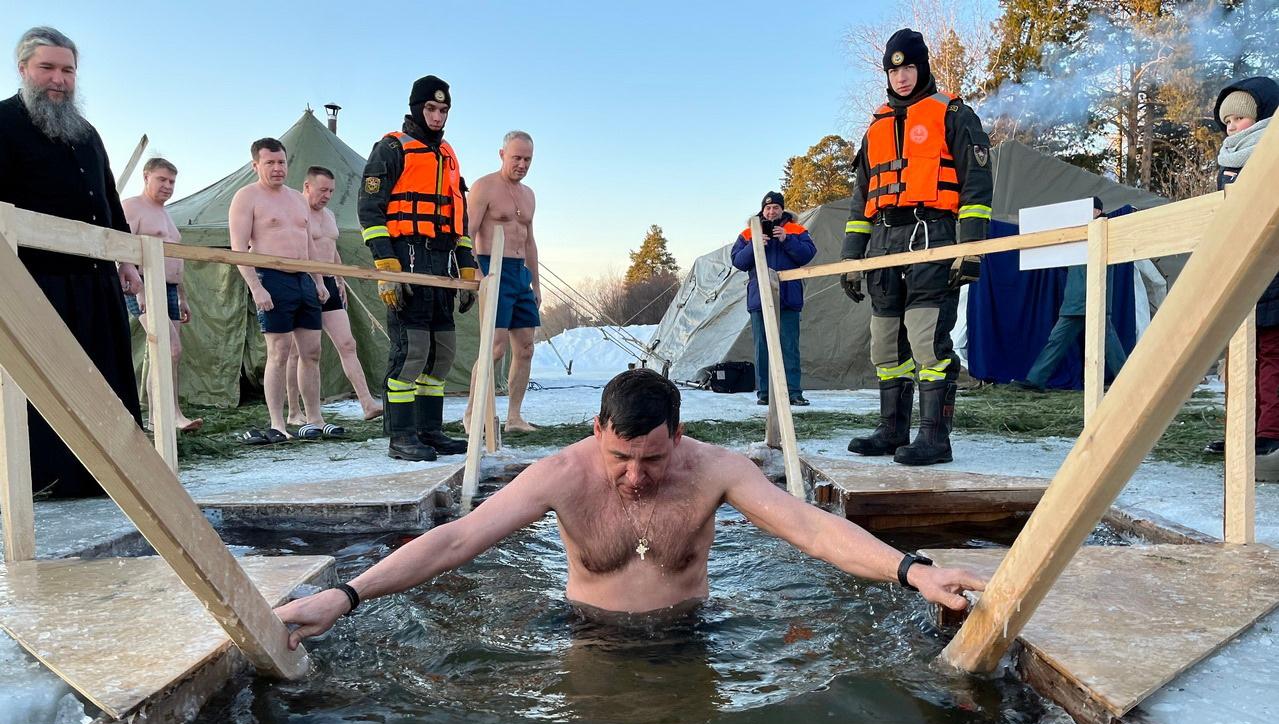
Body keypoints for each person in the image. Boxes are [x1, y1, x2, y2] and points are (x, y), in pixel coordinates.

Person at [273, 369, 987, 647]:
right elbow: (458, 540)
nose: (636, 477)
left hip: (691, 631)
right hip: (590, 633)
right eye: (620, 458)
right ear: (597, 432)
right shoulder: (559, 475)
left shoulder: (716, 469)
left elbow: (808, 528)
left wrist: (913, 570)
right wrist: (346, 594)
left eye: (653, 459)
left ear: (678, 433)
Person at [840, 29, 993, 467]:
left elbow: (976, 185)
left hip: (933, 237)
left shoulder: (954, 114)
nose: (901, 77)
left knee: (926, 340)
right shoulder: (875, 128)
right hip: (884, 244)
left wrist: (970, 249)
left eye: (908, 67)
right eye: (893, 70)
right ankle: (892, 430)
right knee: (885, 345)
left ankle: (934, 438)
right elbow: (861, 199)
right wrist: (851, 257)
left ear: (922, 67)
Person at [0, 26, 143, 496]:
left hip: (97, 279)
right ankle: (49, 479)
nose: (59, 79)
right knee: (48, 380)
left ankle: (111, 471)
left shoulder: (86, 132)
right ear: (23, 69)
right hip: (35, 279)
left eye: (68, 70)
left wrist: (126, 259)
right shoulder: (3, 122)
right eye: (47, 68)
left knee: (105, 373)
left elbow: (108, 199)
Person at [359, 75, 478, 461]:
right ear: (416, 108)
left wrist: (467, 269)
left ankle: (430, 431)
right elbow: (369, 210)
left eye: (443, 110)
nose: (438, 116)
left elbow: (459, 220)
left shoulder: (449, 157)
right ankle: (402, 436)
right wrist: (386, 265)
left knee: (442, 353)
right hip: (406, 260)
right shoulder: (391, 148)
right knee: (412, 351)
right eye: (431, 108)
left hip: (442, 266)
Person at [228, 138, 333, 444]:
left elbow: (308, 242)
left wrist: (318, 281)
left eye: (282, 162)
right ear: (256, 165)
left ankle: (314, 418)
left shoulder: (298, 199)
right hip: (271, 278)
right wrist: (256, 287)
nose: (277, 168)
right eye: (270, 163)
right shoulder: (246, 197)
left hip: (303, 278)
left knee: (312, 351)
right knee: (279, 352)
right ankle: (278, 421)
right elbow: (238, 248)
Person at [1202, 77, 1279, 480]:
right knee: (1240, 358)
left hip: (1273, 269)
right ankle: (1241, 430)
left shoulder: (1273, 150)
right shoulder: (1228, 162)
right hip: (1239, 269)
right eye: (1227, 121)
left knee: (1270, 354)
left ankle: (1269, 433)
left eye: (1239, 118)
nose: (1231, 127)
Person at [284, 165, 384, 426]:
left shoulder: (329, 214)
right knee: (297, 352)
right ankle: (294, 411)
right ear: (307, 187)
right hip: (303, 280)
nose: (327, 195)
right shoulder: (295, 211)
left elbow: (331, 247)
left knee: (347, 343)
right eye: (322, 190)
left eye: (331, 191)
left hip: (330, 281)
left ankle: (367, 403)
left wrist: (339, 278)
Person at [463, 131, 542, 433]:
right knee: (494, 348)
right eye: (516, 158)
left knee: (526, 348)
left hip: (520, 273)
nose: (522, 164)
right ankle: (472, 414)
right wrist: (477, 274)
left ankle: (514, 417)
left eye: (527, 159)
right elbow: (467, 232)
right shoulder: (484, 187)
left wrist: (536, 284)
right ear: (502, 155)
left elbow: (530, 241)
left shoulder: (529, 194)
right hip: (491, 267)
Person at [1011, 198, 1128, 392]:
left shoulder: (1106, 232)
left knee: (1107, 344)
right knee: (1059, 341)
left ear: (1097, 212)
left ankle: (1127, 381)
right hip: (1075, 301)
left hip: (1093, 298)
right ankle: (1035, 380)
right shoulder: (1079, 234)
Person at [122, 157, 202, 434]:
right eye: (162, 179)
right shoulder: (133, 206)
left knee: (167, 353)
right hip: (144, 284)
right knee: (170, 348)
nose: (168, 186)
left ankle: (160, 418)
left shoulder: (166, 214)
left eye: (172, 181)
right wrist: (140, 290)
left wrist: (182, 295)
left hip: (170, 288)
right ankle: (171, 414)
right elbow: (122, 250)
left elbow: (175, 258)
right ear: (146, 177)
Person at [730, 191, 817, 406]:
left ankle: (793, 392)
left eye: (775, 207)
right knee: (762, 347)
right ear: (762, 210)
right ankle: (765, 393)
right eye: (767, 208)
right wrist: (755, 245)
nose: (771, 211)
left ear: (782, 209)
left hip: (789, 297)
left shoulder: (796, 230)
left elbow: (808, 254)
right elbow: (738, 261)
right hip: (760, 297)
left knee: (789, 346)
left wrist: (787, 239)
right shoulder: (749, 233)